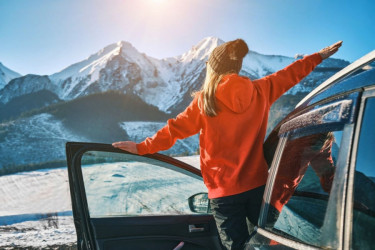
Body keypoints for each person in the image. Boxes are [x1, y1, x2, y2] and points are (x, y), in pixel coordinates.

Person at [112, 39, 342, 249]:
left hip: (224, 195)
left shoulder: (204, 101)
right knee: (262, 243)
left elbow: (173, 131)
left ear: (213, 68)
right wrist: (318, 57)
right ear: (237, 66)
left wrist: (142, 148)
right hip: (258, 187)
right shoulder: (261, 89)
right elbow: (292, 73)